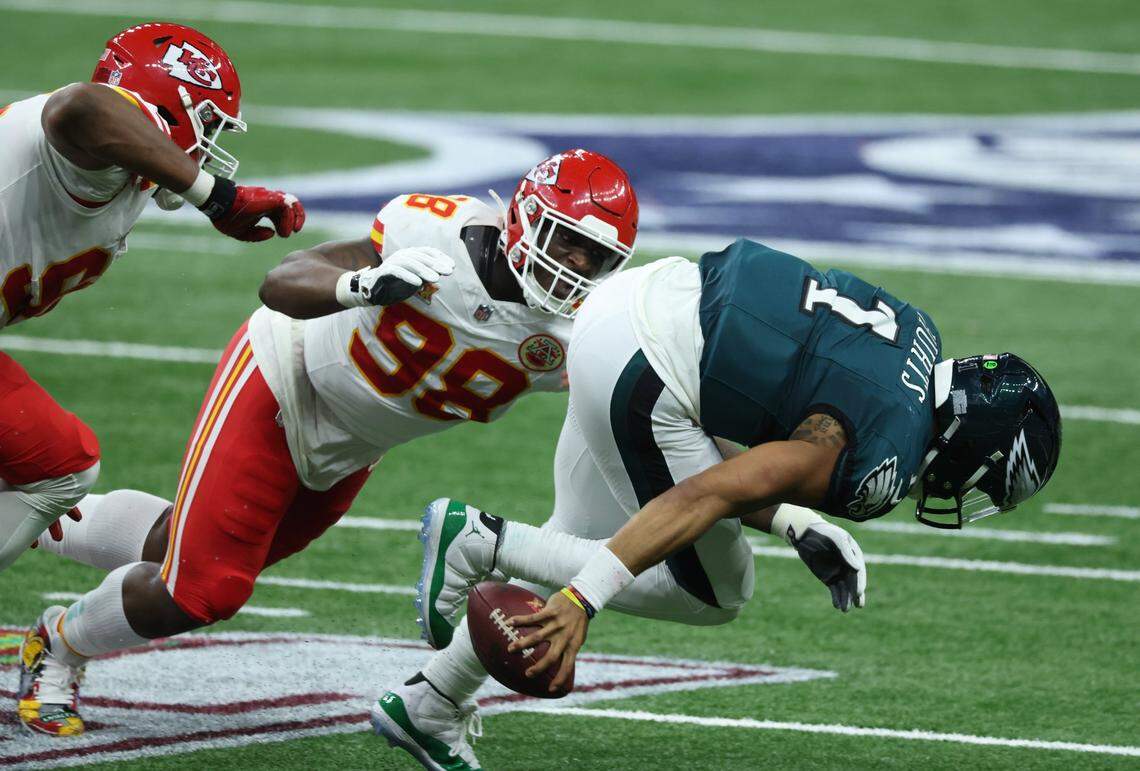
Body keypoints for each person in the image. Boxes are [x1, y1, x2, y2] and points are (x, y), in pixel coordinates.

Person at [15, 149, 638, 740]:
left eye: (597, 256)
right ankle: (59, 644)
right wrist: (361, 284)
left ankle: (33, 511)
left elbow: (628, 398)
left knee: (184, 549)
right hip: (284, 377)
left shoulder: (582, 329)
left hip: (353, 446)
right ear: (525, 216)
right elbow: (282, 282)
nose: (577, 265)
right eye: (568, 239)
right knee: (204, 590)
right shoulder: (437, 233)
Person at [377, 239, 1062, 771]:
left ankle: (431, 701)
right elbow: (711, 490)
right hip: (648, 368)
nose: (966, 492)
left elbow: (734, 437)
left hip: (642, 300)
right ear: (973, 443)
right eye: (985, 480)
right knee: (715, 591)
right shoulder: (884, 455)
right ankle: (482, 541)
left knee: (577, 535)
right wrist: (584, 600)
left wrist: (794, 521)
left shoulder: (918, 335)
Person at [0, 22, 305, 576]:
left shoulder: (114, 174)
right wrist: (217, 197)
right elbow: (80, 107)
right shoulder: (89, 147)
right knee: (59, 467)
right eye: (208, 124)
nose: (207, 147)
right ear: (168, 107)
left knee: (40, 469)